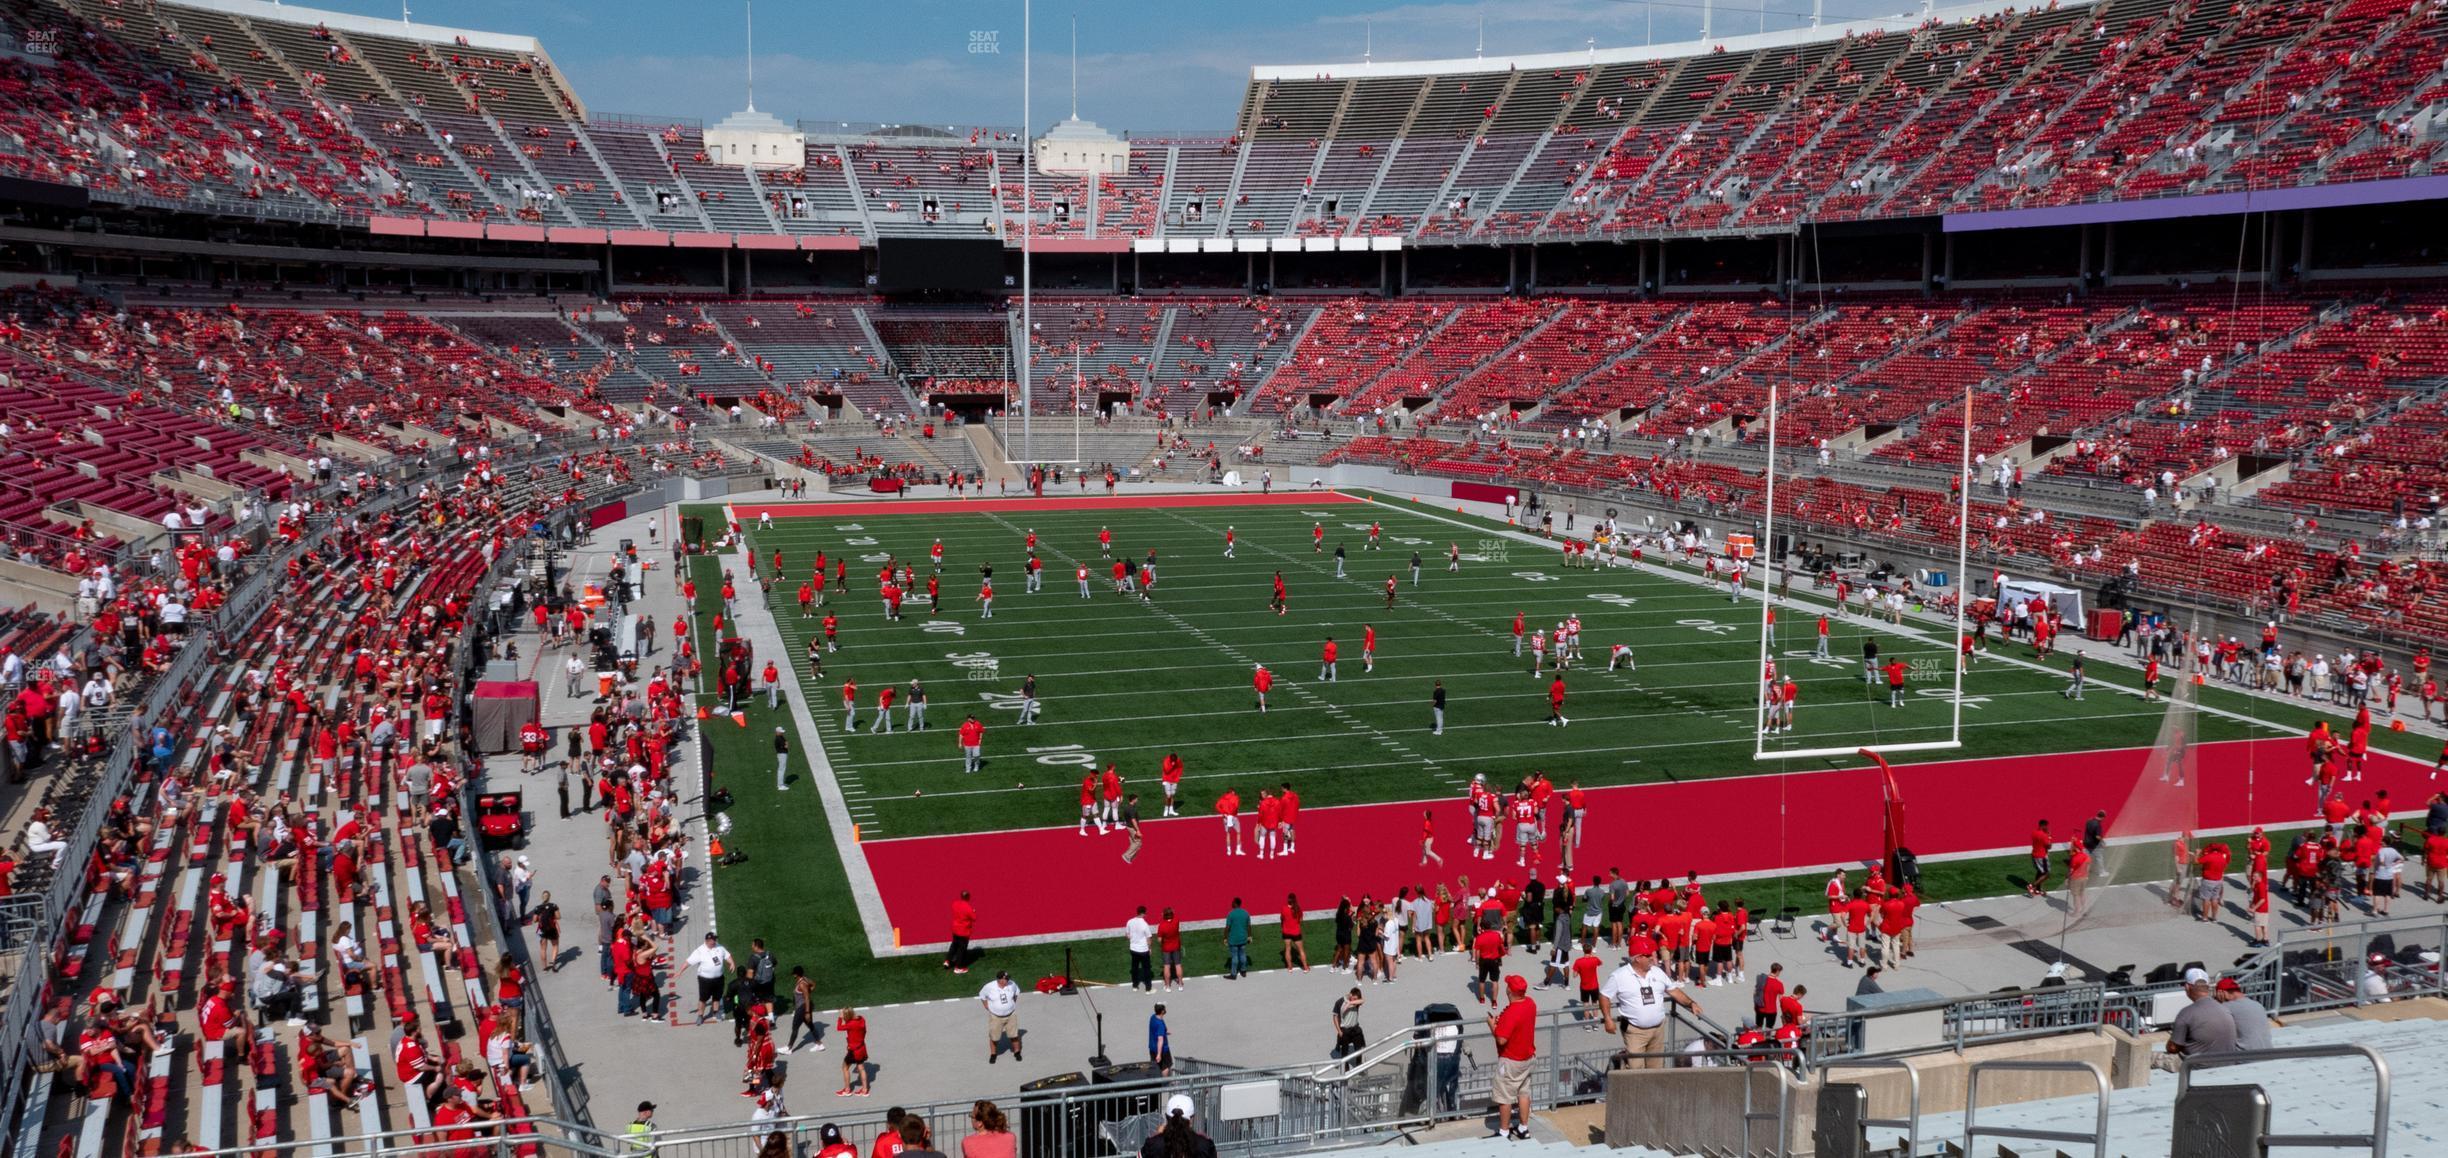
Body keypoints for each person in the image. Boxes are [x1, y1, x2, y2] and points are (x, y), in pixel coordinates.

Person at [1598, 937, 1700, 1069]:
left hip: (1658, 1030)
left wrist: (1691, 1003)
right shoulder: (1619, 976)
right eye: (1648, 955)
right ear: (1638, 958)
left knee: (1655, 1067)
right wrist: (1607, 1019)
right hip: (1635, 1032)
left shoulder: (1657, 972)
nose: (1653, 957)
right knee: (1635, 1068)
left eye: (1653, 954)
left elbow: (1674, 991)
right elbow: (1604, 996)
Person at [2155, 968, 2237, 1070]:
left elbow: (2173, 1048)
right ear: (2207, 987)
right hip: (2227, 1064)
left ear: (2187, 987)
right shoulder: (2225, 1009)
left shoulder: (2186, 1013)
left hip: (2196, 1066)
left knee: (2151, 1058)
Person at [1488, 975, 1538, 1141]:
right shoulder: (1530, 1003)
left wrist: (1492, 1026)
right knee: (1524, 1093)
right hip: (1528, 1057)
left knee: (1505, 1097)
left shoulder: (1511, 1012)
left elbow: (1501, 1038)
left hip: (1511, 1060)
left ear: (1510, 990)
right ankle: (1523, 1128)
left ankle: (1504, 1131)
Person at [1138, 1093, 1217, 1158]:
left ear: (1166, 1117)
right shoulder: (1205, 1144)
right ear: (1192, 1119)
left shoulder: (1152, 1144)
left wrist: (1157, 1136)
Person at [2213, 977, 2277, 1051]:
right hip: (2268, 1054)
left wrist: (2219, 1003)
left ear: (2222, 993)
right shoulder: (2258, 1005)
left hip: (2246, 1058)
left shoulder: (2226, 1007)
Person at [686, 933, 734, 1024]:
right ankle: (700, 1016)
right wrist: (679, 972)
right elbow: (688, 962)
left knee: (717, 997)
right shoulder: (700, 951)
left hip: (719, 979)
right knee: (703, 999)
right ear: (708, 940)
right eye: (713, 940)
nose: (715, 941)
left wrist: (732, 963)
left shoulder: (719, 947)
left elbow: (727, 956)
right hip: (705, 980)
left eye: (715, 939)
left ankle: (715, 1012)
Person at [978, 970, 1021, 1063]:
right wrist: (986, 1006)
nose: (1008, 980)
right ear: (999, 979)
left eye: (1007, 978)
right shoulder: (989, 987)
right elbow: (982, 996)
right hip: (996, 1017)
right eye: (1005, 979)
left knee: (1014, 1035)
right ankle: (993, 1054)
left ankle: (1017, 1052)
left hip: (1011, 1015)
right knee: (994, 1037)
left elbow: (1016, 993)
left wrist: (1012, 1004)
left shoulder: (1012, 984)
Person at [834, 1008, 870, 1095]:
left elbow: (839, 1028)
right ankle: (865, 1090)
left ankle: (847, 1090)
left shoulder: (850, 1024)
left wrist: (840, 1018)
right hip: (861, 1048)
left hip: (853, 1050)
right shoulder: (861, 1019)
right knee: (861, 1068)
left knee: (845, 1068)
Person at [1125, 908, 1156, 992]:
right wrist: (1149, 948)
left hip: (1133, 949)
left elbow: (1127, 935)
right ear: (1143, 913)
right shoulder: (1145, 924)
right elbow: (1149, 938)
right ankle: (1148, 989)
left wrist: (1133, 940)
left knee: (1134, 967)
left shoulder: (1130, 921)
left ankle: (1135, 986)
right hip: (1143, 950)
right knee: (1146, 969)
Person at [947, 892, 976, 973]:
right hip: (963, 931)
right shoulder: (968, 908)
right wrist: (973, 911)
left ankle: (948, 961)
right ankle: (958, 967)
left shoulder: (955, 903)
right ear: (968, 897)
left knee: (954, 945)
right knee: (961, 950)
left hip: (955, 929)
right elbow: (974, 918)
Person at [1224, 898, 1251, 979]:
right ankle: (1243, 971)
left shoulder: (1231, 914)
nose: (1231, 904)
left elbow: (1227, 928)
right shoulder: (1246, 913)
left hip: (1233, 939)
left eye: (1232, 903)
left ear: (1235, 903)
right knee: (1243, 955)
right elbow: (1249, 926)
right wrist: (1249, 936)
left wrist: (1225, 938)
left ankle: (1233, 974)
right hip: (1243, 938)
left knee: (1234, 956)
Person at [1147, 1002, 1173, 1075]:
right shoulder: (1160, 1025)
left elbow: (1161, 1021)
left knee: (1155, 1066)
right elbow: (1160, 1040)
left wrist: (1166, 1030)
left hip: (1152, 1047)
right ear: (1162, 1011)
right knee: (1165, 1067)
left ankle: (1156, 1081)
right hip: (1162, 1050)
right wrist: (1159, 1054)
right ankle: (1164, 1084)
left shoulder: (1153, 1017)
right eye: (1164, 1008)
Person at [773, 727, 790, 791]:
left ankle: (780, 784)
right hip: (782, 754)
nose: (782, 733)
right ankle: (780, 785)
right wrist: (786, 744)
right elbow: (786, 746)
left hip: (782, 754)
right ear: (777, 732)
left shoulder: (780, 737)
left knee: (782, 769)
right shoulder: (779, 739)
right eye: (781, 732)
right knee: (781, 769)